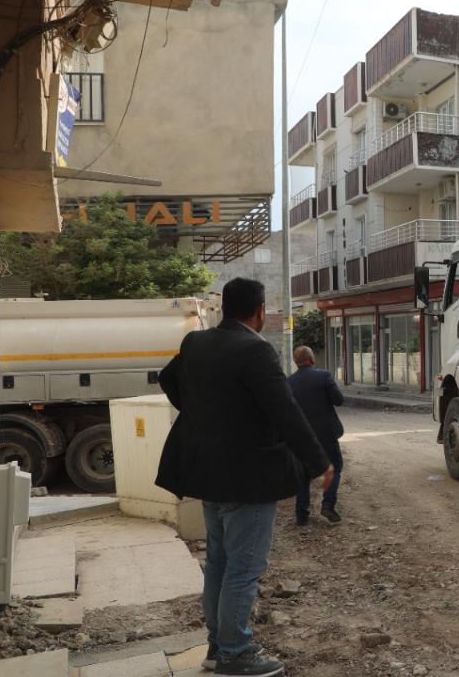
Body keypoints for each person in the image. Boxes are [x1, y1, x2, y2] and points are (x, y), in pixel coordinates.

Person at [156, 278, 332, 677]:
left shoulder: (196, 343)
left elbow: (168, 380)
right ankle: (235, 653)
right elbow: (285, 411)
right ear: (259, 311)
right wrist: (320, 461)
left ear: (223, 309)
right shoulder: (255, 349)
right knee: (243, 567)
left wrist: (205, 415)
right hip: (248, 478)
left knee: (219, 561)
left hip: (208, 473)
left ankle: (218, 647)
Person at [289, 345, 345, 526]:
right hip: (326, 434)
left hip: (301, 436)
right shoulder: (324, 376)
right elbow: (339, 400)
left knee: (303, 473)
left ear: (296, 362)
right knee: (335, 467)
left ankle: (301, 514)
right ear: (312, 359)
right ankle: (328, 505)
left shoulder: (289, 382)